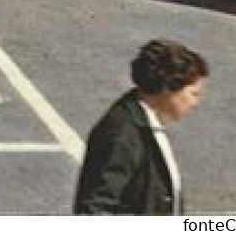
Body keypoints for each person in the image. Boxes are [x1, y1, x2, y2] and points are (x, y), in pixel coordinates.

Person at [75, 39, 208, 214]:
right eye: (193, 94)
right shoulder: (122, 135)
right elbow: (95, 208)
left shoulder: (147, 123)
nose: (195, 102)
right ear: (169, 87)